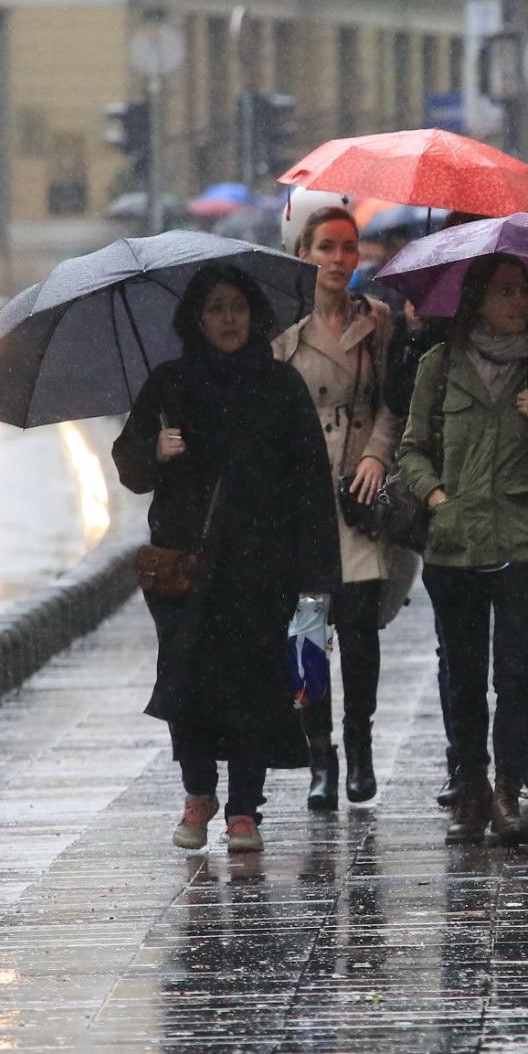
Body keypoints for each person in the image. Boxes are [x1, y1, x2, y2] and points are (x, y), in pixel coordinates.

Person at [113, 265, 339, 855]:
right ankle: (198, 791)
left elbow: (311, 485)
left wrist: (316, 581)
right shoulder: (169, 385)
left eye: (237, 306)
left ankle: (243, 808)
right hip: (185, 571)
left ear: (254, 313)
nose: (228, 319)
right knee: (186, 687)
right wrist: (156, 452)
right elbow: (131, 469)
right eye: (215, 307)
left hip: (261, 567)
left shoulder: (280, 386)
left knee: (253, 689)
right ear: (197, 316)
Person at [395, 254, 528, 846]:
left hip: (525, 538)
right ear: (476, 299)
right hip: (454, 542)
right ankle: (471, 786)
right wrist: (435, 497)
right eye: (504, 292)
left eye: (523, 292)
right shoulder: (440, 364)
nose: (518, 303)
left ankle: (508, 790)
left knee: (520, 669)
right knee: (464, 672)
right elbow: (412, 449)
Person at [272, 207, 403, 808]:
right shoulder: (280, 328)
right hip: (299, 501)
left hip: (357, 497)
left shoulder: (377, 321)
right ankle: (318, 753)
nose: (338, 259)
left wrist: (377, 454)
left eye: (349, 248)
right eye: (325, 246)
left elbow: (393, 401)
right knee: (306, 632)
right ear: (303, 252)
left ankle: (361, 748)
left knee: (358, 629)